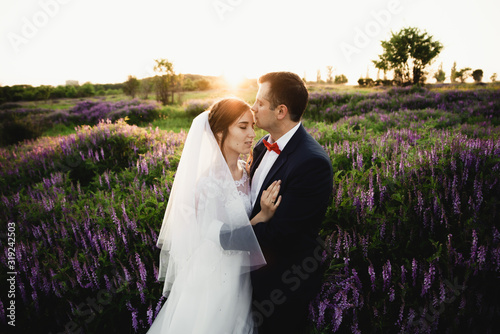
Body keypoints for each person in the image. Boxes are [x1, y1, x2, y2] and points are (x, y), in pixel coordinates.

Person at [147, 98, 281, 334]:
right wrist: (262, 216)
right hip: (218, 276)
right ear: (219, 132)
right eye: (242, 126)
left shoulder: (246, 170)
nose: (252, 134)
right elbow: (221, 238)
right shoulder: (208, 183)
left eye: (252, 126)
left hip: (243, 273)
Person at [248, 72, 333, 333]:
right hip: (248, 277)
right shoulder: (262, 146)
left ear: (281, 111)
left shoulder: (311, 163)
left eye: (260, 102)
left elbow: (281, 235)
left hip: (280, 287)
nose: (253, 108)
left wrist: (231, 235)